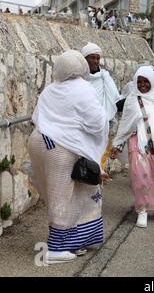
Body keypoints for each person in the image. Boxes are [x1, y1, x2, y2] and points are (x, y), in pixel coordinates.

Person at [29, 50, 109, 265]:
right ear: (81, 67)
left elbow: (36, 117)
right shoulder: (83, 88)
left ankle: (72, 240)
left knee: (57, 194)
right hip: (60, 148)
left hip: (38, 141)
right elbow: (97, 122)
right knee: (64, 195)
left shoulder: (50, 90)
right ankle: (56, 248)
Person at [110, 66, 154, 228]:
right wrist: (117, 144)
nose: (142, 85)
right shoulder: (131, 100)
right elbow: (125, 124)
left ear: (152, 81)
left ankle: (153, 203)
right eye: (139, 81)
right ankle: (142, 209)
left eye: (146, 81)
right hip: (137, 144)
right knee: (139, 176)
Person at [81, 43, 124, 171]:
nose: (95, 61)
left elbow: (115, 97)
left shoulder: (104, 77)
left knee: (99, 159)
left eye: (97, 58)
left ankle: (96, 186)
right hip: (84, 124)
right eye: (92, 57)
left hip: (104, 123)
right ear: (84, 59)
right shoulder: (80, 78)